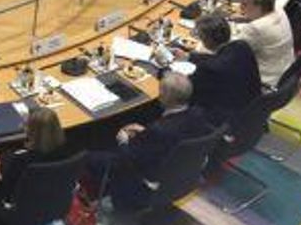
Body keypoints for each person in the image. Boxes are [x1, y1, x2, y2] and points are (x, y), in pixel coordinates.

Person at [84, 73, 211, 211]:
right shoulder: (198, 114)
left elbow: (127, 159)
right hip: (176, 173)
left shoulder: (159, 131)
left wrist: (123, 140)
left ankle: (100, 196)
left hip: (142, 179)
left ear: (165, 96)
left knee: (88, 156)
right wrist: (146, 132)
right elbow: (175, 137)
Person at [188, 14, 261, 126]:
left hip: (224, 118)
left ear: (207, 40)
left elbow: (190, 91)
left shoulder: (209, 69)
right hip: (250, 107)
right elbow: (220, 58)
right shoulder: (241, 46)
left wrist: (166, 71)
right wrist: (190, 57)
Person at [0, 106, 70, 203]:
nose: (21, 126)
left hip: (15, 203)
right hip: (50, 195)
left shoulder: (20, 159)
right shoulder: (66, 149)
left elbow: (2, 192)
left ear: (34, 132)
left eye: (26, 125)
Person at [233, 0, 296, 89]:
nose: (241, 7)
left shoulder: (255, 28)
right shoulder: (280, 11)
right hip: (285, 70)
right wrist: (247, 18)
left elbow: (233, 51)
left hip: (264, 80)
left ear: (259, 7)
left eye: (245, 4)